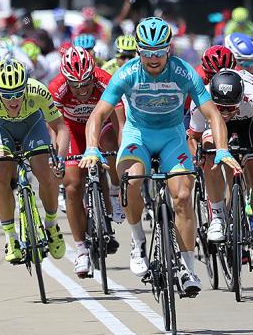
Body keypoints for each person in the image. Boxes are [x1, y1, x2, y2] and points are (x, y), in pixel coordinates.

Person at [79, 17, 242, 297]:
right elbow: (98, 114)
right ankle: (138, 240)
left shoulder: (183, 72)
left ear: (169, 49)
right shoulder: (128, 73)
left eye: (159, 52)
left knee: (182, 195)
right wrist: (92, 147)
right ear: (139, 51)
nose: (153, 59)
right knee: (130, 180)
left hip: (171, 136)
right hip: (137, 135)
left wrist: (223, 149)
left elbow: (213, 114)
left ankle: (189, 268)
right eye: (147, 52)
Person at [0, 59, 70, 263]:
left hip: (32, 125)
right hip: (0, 127)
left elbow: (60, 128)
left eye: (18, 93)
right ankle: (11, 237)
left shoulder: (38, 91)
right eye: (7, 95)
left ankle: (51, 225)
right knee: (0, 172)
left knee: (45, 170)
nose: (14, 100)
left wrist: (60, 158)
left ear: (26, 86)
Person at [188, 69, 253, 277]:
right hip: (211, 124)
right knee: (210, 153)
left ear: (241, 98)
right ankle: (218, 217)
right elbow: (193, 138)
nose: (225, 112)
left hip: (248, 125)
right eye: (220, 107)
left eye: (230, 107)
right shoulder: (201, 98)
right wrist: (198, 159)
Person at [48, 47, 125, 277]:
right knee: (72, 185)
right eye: (75, 85)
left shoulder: (105, 81)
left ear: (93, 74)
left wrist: (121, 155)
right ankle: (81, 249)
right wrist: (58, 157)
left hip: (103, 125)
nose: (81, 90)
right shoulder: (56, 88)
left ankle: (112, 190)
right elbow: (55, 128)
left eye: (86, 84)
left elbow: (120, 122)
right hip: (71, 129)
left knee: (111, 143)